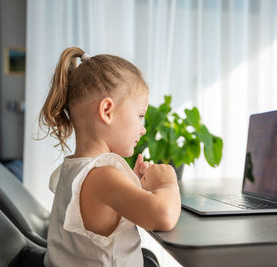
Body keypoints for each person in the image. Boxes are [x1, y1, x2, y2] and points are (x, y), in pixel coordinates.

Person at [38, 47, 181, 267]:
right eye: (140, 116)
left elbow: (107, 206)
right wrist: (167, 182)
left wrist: (131, 184)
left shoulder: (74, 168)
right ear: (107, 111)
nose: (143, 129)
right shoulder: (102, 176)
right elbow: (163, 215)